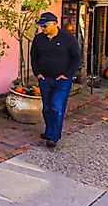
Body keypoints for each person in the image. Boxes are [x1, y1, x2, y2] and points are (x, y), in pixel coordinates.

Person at [31, 12, 82, 148]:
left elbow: (76, 58)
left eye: (45, 26)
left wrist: (67, 74)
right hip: (45, 78)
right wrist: (37, 73)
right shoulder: (38, 39)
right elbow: (33, 57)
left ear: (55, 23)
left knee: (56, 106)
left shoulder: (68, 39)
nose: (43, 29)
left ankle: (54, 136)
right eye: (41, 26)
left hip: (62, 80)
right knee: (47, 107)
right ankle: (49, 131)